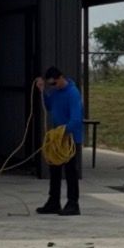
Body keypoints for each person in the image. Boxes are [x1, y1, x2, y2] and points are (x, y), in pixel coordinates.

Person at [35, 66, 83, 215]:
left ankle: (73, 203)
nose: (53, 86)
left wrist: (62, 132)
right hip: (58, 138)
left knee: (70, 171)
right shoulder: (56, 92)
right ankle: (54, 201)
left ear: (61, 78)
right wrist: (42, 90)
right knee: (54, 169)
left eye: (54, 83)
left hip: (70, 138)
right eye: (51, 84)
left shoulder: (73, 93)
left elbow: (76, 119)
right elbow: (49, 106)